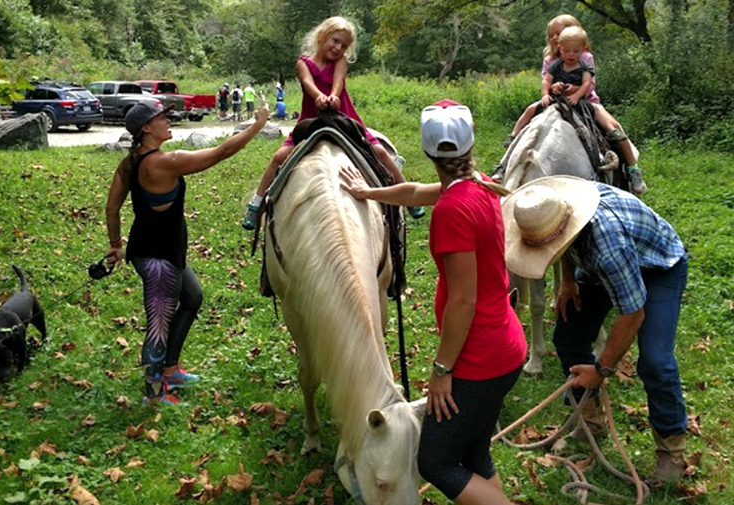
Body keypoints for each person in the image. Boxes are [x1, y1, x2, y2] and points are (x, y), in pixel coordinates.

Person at [340, 99, 527, 505]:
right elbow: (413, 191)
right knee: (474, 452)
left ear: (427, 152)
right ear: (468, 145)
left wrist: (442, 370)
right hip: (506, 345)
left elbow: (463, 301)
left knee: (437, 462)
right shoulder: (476, 184)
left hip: (480, 359)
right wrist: (367, 191)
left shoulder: (453, 211)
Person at [504, 175, 689, 483]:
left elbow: (632, 313)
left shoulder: (608, 245)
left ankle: (671, 450)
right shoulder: (555, 212)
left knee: (656, 361)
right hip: (596, 264)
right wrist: (568, 280)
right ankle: (589, 422)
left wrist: (601, 370)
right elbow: (560, 246)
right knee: (568, 335)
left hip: (657, 267)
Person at [104, 98, 269, 406]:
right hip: (157, 258)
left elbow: (113, 207)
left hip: (163, 250)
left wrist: (116, 245)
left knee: (192, 297)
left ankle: (170, 369)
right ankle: (153, 394)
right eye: (161, 118)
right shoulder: (165, 162)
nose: (168, 120)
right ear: (146, 129)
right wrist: (258, 124)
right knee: (158, 324)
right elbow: (222, 152)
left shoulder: (131, 163)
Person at [241, 16, 425, 230]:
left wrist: (334, 96)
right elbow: (308, 82)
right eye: (335, 41)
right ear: (322, 36)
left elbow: (338, 81)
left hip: (344, 116)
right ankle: (256, 203)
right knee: (279, 158)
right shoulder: (304, 62)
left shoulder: (340, 62)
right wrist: (319, 96)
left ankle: (405, 193)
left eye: (344, 46)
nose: (338, 48)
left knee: (380, 152)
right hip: (311, 120)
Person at [497, 15, 647, 195]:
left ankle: (632, 170)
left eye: (558, 33)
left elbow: (589, 84)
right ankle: (506, 159)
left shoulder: (585, 57)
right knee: (529, 115)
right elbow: (546, 80)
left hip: (586, 100)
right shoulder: (550, 60)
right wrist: (551, 89)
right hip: (556, 100)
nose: (554, 37)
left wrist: (574, 90)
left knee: (613, 127)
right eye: (552, 34)